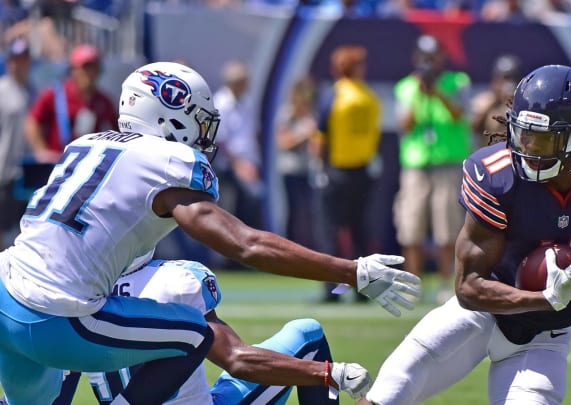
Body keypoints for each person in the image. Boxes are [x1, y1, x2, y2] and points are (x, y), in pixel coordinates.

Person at [0, 61, 421, 405]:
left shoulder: (85, 145)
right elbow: (246, 245)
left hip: (7, 292)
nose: (204, 134)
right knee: (193, 333)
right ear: (166, 112)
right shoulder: (166, 162)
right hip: (57, 314)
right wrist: (352, 271)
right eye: (198, 121)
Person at [358, 65, 571, 405]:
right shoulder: (497, 176)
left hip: (545, 336)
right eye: (522, 132)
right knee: (390, 391)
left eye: (542, 138)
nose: (526, 147)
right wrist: (546, 299)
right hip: (480, 315)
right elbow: (468, 286)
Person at [58, 258, 373, 404]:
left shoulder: (70, 293)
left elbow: (54, 392)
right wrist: (329, 372)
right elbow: (237, 359)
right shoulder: (176, 280)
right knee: (309, 333)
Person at [393, 34, 472, 302]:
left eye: (434, 56)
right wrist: (420, 94)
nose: (429, 62)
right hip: (416, 164)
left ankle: (445, 282)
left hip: (447, 163)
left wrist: (437, 91)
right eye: (425, 57)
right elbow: (403, 125)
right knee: (411, 226)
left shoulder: (457, 82)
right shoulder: (406, 87)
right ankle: (412, 283)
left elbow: (459, 114)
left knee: (447, 227)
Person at [314, 45, 383, 303]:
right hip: (363, 171)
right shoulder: (369, 98)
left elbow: (321, 136)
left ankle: (330, 289)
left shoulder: (334, 96)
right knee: (361, 232)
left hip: (336, 170)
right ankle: (363, 290)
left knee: (329, 231)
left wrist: (319, 166)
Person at [24, 43, 118, 164]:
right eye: (85, 67)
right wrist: (42, 151)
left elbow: (118, 130)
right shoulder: (54, 94)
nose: (90, 73)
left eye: (94, 67)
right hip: (59, 164)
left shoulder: (103, 101)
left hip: (89, 165)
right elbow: (32, 123)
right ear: (73, 70)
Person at [213, 60, 264, 232]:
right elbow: (220, 140)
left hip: (249, 165)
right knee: (230, 214)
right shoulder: (220, 103)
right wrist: (239, 165)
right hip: (229, 167)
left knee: (249, 213)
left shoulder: (248, 102)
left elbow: (252, 134)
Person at [275, 76, 319, 249]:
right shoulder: (287, 114)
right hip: (291, 170)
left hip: (308, 171)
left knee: (311, 213)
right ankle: (286, 248)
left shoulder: (312, 115)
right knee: (293, 211)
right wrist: (304, 135)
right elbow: (284, 142)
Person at [0, 37, 32, 249]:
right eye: (14, 59)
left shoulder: (34, 90)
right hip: (3, 172)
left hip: (27, 172)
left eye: (22, 59)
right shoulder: (2, 90)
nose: (17, 64)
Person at [470, 54, 520, 149]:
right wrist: (495, 99)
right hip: (489, 154)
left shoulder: (519, 102)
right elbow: (474, 128)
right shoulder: (483, 100)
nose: (506, 83)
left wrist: (512, 101)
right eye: (503, 78)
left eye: (510, 78)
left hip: (511, 154)